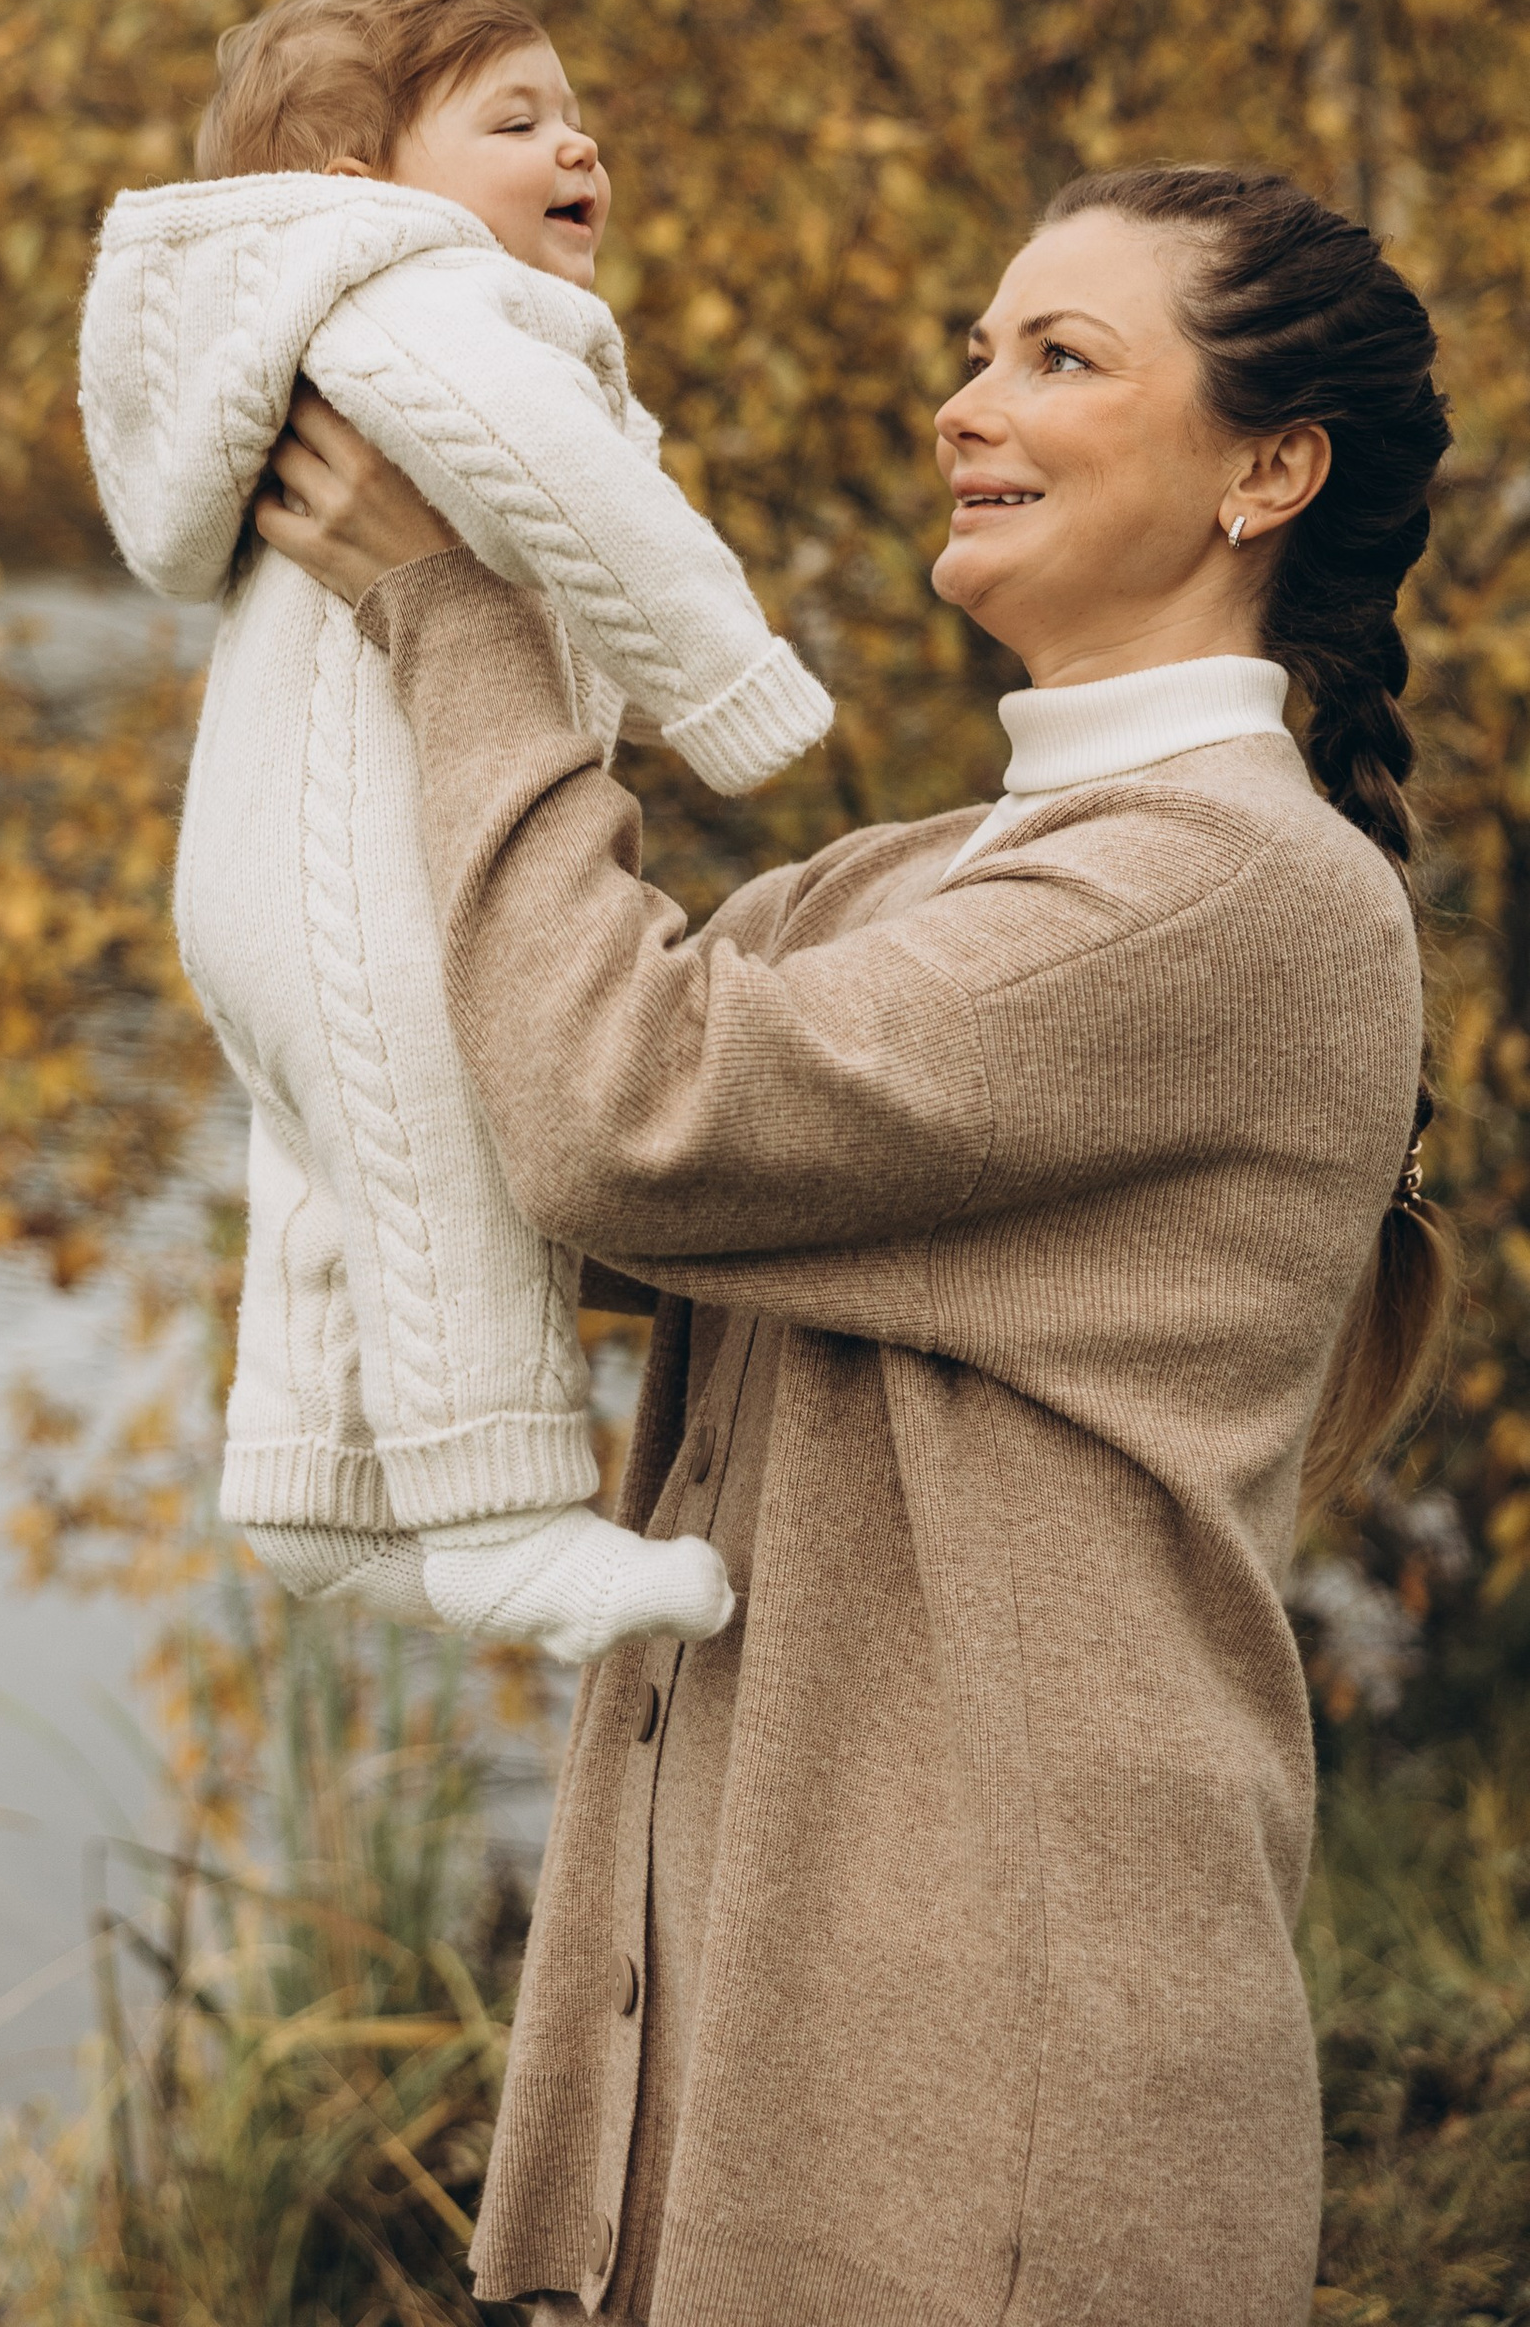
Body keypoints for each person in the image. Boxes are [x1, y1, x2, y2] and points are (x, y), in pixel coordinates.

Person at [253, 163, 1452, 2327]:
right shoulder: (908, 890)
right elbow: (488, 1128)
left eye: (1058, 357)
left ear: (1266, 471)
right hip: (815, 2007)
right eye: (973, 349)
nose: (965, 402)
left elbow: (622, 1118)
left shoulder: (1221, 894)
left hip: (999, 2079)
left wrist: (465, 616)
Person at [78, 0, 832, 1664]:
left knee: (337, 1175)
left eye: (577, 116)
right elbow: (568, 483)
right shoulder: (414, 290)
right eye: (514, 119)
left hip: (257, 878)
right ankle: (501, 1517)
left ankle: (306, 1486)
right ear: (361, 173)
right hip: (362, 876)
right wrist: (730, 685)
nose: (579, 144)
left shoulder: (320, 323)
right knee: (447, 1152)